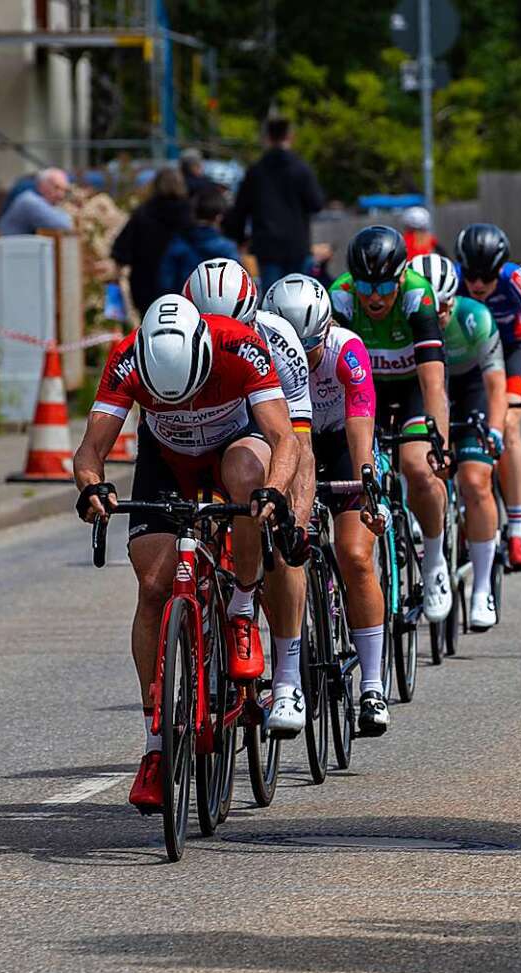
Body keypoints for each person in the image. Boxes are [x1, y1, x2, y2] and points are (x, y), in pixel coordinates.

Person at [73, 295, 300, 811]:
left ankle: (242, 607)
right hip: (166, 461)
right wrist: (92, 487)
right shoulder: (127, 356)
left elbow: (283, 438)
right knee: (153, 588)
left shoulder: (241, 345)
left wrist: (275, 491)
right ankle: (157, 743)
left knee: (248, 477)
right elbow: (90, 451)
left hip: (233, 448)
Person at [182, 257, 315, 736]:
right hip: (199, 437)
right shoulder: (176, 339)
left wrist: (295, 519)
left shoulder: (277, 342)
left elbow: (297, 441)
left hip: (261, 433)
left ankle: (286, 681)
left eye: (232, 326)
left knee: (284, 547)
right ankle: (204, 628)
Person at [263, 274, 391, 735]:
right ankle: (288, 676)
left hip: (340, 442)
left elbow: (360, 419)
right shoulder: (263, 346)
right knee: (280, 557)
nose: (299, 359)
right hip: (290, 442)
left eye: (309, 351)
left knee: (355, 556)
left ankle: (373, 686)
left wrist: (366, 483)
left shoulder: (345, 349)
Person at [330, 225, 452, 624]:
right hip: (366, 395)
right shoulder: (342, 297)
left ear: (401, 277)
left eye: (384, 286)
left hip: (411, 388)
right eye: (365, 285)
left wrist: (440, 444)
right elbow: (334, 379)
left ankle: (434, 564)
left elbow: (433, 381)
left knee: (417, 465)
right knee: (368, 471)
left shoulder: (418, 295)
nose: (374, 296)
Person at [410, 254, 507, 631]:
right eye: (432, 309)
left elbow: (495, 385)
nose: (439, 316)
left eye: (445, 307)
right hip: (424, 389)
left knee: (474, 480)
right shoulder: (408, 323)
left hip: (467, 392)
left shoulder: (475, 319)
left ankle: (481, 587)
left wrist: (495, 431)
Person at [455, 224, 521, 571]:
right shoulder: (451, 281)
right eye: (471, 275)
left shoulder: (518, 281)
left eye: (487, 276)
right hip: (469, 356)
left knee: (508, 426)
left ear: (501, 269)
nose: (478, 284)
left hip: (510, 353)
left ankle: (517, 531)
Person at [223, 117, 324, 294]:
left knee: (272, 299)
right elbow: (316, 203)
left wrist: (239, 237)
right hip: (297, 245)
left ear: (267, 138)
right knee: (298, 296)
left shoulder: (256, 171)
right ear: (290, 136)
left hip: (267, 246)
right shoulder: (301, 169)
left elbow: (240, 210)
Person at [110, 167, 191, 318]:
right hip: (183, 285)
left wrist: (116, 277)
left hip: (146, 286)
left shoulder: (143, 212)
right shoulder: (190, 214)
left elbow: (122, 250)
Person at [157, 189, 241, 294]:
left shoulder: (178, 243)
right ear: (218, 217)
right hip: (220, 305)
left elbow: (165, 282)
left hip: (184, 303)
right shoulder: (227, 248)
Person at [0, 168, 73, 235]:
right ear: (44, 185)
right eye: (56, 188)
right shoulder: (30, 201)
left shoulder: (34, 199)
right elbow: (65, 225)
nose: (61, 195)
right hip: (11, 249)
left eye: (64, 190)